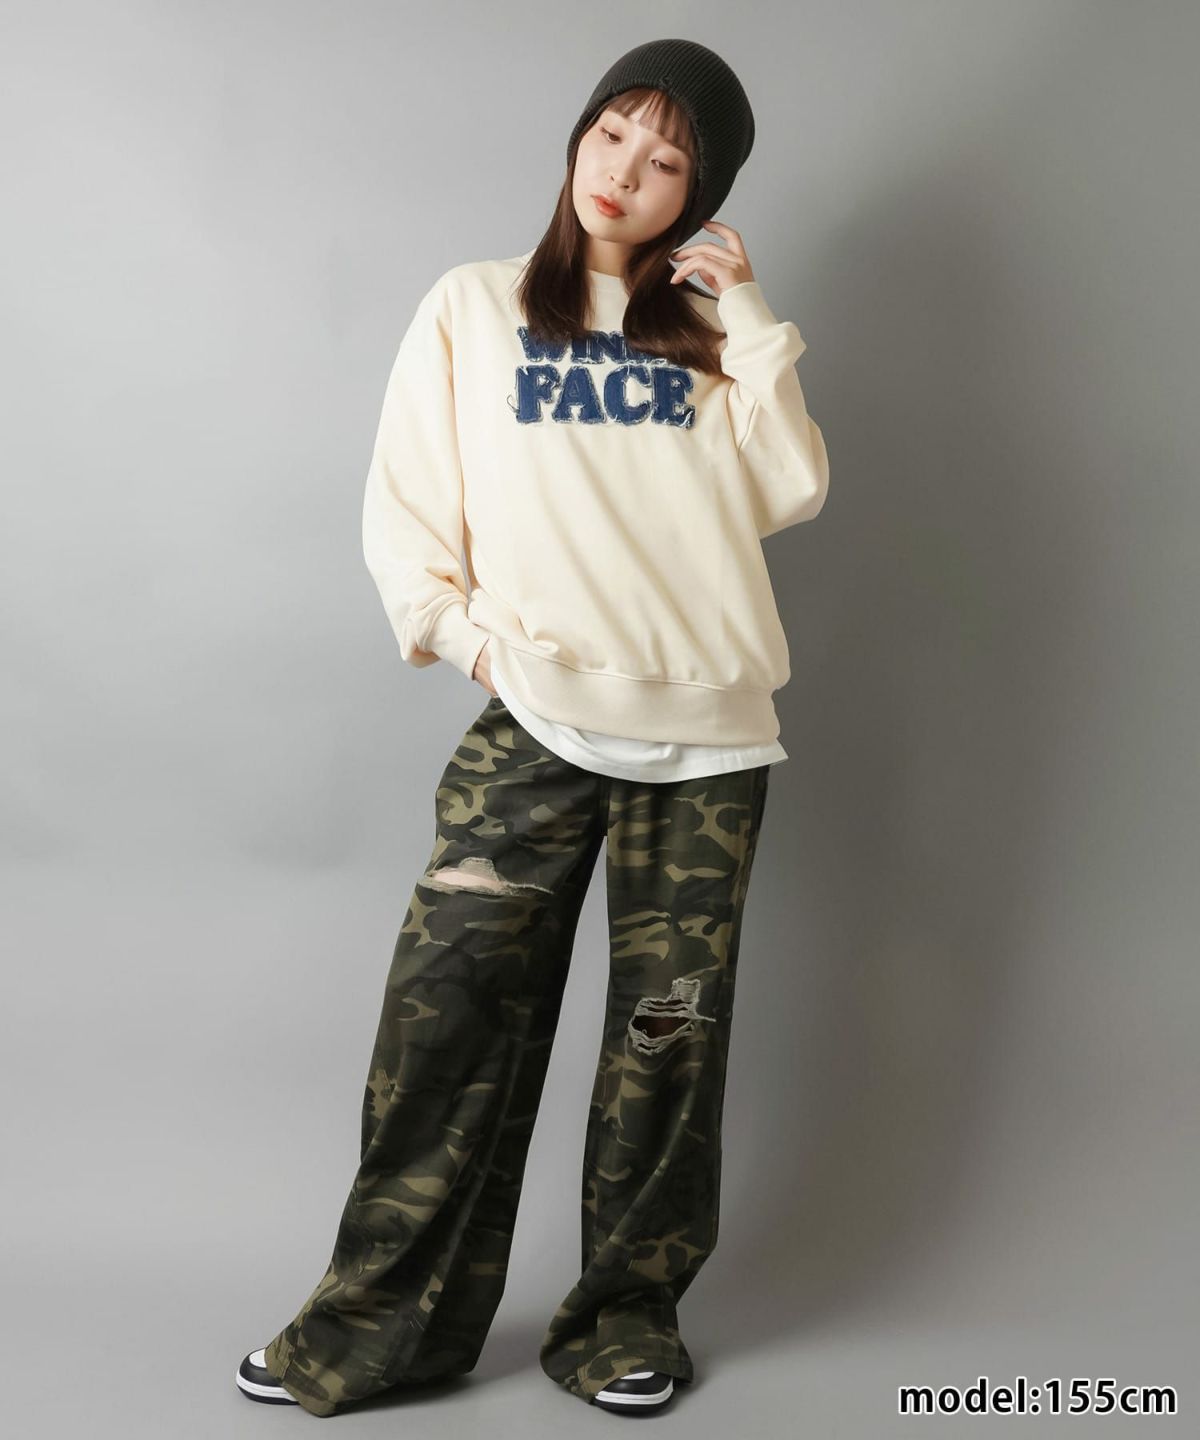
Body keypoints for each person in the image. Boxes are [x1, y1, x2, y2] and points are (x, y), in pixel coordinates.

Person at [236, 36, 829, 1419]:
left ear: (697, 196)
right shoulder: (475, 305)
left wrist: (751, 315)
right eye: (615, 132)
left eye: (668, 160)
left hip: (709, 740)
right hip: (537, 719)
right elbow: (406, 511)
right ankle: (382, 1325)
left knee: (665, 1049)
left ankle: (623, 1323)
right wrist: (471, 640)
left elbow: (792, 487)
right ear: (579, 135)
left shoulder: (709, 338)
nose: (628, 171)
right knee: (446, 1024)